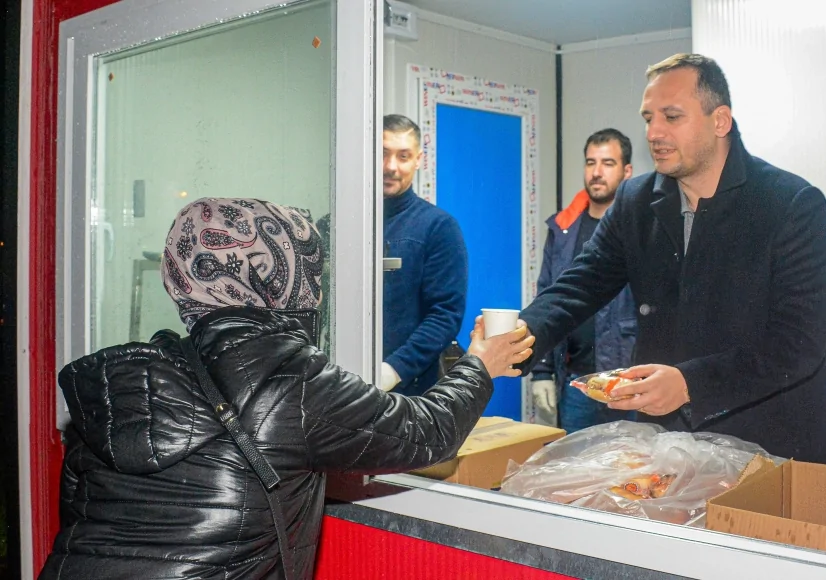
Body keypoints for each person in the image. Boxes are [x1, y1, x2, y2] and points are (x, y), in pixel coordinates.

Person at [39, 198, 534, 580]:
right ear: (281, 273)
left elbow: (80, 511)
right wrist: (481, 364)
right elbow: (426, 432)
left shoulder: (127, 375)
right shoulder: (284, 373)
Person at [516, 53, 826, 464]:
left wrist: (691, 382)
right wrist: (522, 336)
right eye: (649, 117)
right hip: (671, 445)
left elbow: (798, 345)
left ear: (719, 121)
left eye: (671, 116)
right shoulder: (635, 201)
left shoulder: (790, 204)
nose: (654, 132)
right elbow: (580, 284)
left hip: (772, 447)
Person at [531, 129, 637, 432]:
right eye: (591, 163)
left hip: (629, 385)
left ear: (627, 171)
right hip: (576, 385)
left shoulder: (640, 227)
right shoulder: (563, 229)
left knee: (630, 474)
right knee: (578, 474)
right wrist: (541, 372)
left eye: (608, 163)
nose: (597, 172)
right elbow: (547, 298)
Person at [381, 114, 469, 396]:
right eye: (382, 154)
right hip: (337, 388)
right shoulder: (334, 224)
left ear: (418, 160)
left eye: (403, 156)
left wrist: (392, 371)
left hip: (410, 393)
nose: (390, 166)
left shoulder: (438, 227)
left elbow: (445, 316)